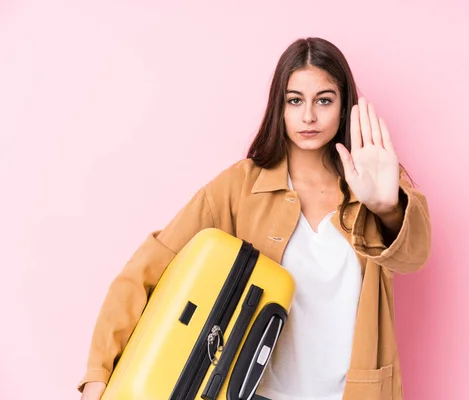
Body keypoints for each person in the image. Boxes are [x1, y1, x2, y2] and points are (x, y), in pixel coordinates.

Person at [78, 37, 431, 400]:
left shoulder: (373, 183)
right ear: (279, 107)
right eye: (295, 100)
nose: (308, 116)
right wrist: (98, 375)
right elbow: (145, 271)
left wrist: (386, 206)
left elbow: (413, 257)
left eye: (323, 100)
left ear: (343, 108)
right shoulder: (240, 187)